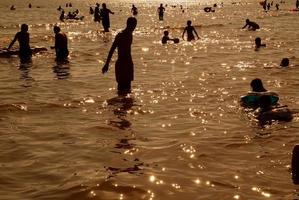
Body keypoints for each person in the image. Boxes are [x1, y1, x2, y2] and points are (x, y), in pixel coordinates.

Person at [102, 17, 137, 95]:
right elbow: (112, 49)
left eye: (135, 25)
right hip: (121, 64)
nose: (134, 27)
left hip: (128, 64)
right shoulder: (120, 35)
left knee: (128, 89)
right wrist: (107, 64)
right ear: (129, 24)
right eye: (134, 25)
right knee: (121, 88)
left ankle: (125, 106)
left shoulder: (130, 34)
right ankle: (120, 105)